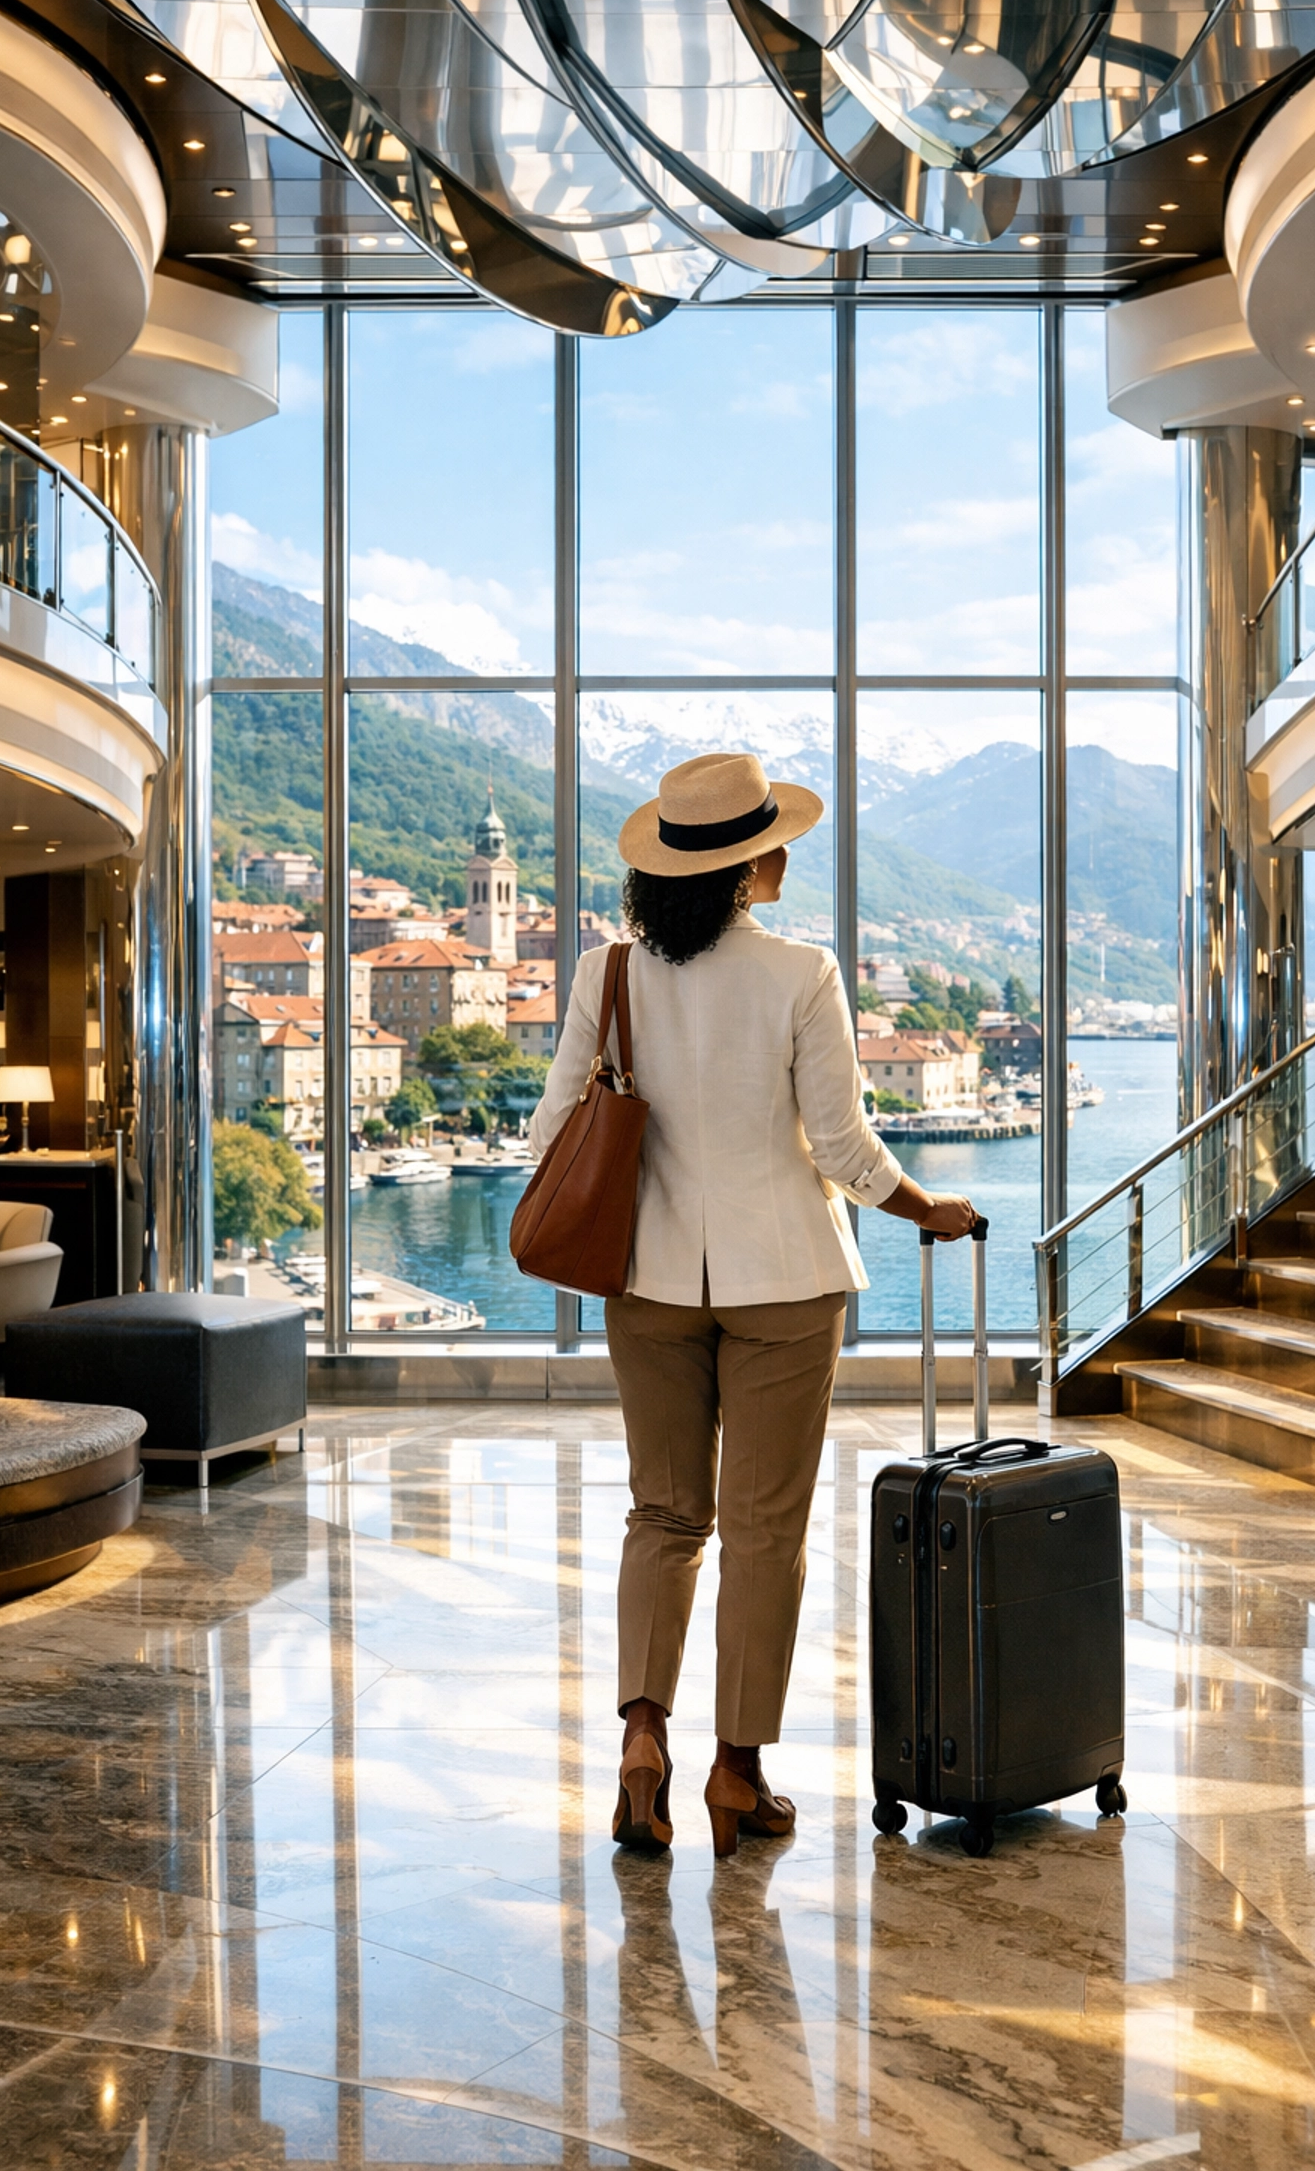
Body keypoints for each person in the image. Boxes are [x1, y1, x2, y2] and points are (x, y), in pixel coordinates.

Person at [527, 752, 977, 1857]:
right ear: (744, 869)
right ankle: (736, 1774)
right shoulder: (802, 973)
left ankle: (642, 1747)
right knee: (764, 1533)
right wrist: (928, 1209)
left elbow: (549, 1139)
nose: (782, 855)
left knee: (664, 1517)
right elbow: (841, 1146)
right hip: (786, 1282)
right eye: (771, 842)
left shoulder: (608, 975)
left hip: (647, 1279)